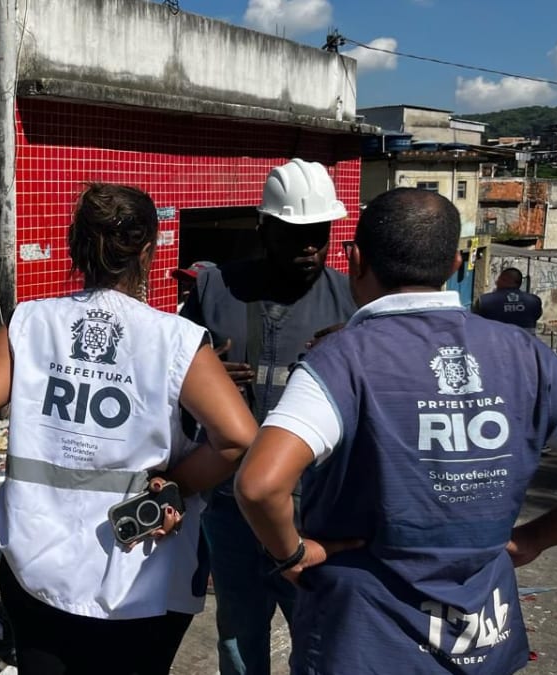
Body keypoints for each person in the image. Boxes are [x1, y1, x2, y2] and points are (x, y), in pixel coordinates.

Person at [235, 188, 557, 674]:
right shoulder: (531, 357)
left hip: (363, 639)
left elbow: (260, 485)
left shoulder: (342, 360)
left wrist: (292, 554)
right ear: (455, 263)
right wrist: (535, 537)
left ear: (354, 259)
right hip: (483, 640)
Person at [0, 183, 258, 674]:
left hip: (35, 561)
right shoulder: (175, 339)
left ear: (75, 244)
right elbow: (239, 437)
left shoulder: (28, 322)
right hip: (140, 573)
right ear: (148, 252)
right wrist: (177, 484)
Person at [179, 158, 357, 675]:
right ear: (265, 228)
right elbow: (173, 375)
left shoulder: (350, 301)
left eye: (319, 233)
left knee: (318, 633)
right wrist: (204, 382)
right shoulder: (216, 290)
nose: (310, 247)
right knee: (238, 635)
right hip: (230, 506)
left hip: (314, 509)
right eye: (295, 233)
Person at [474, 267, 542, 334]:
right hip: (527, 343)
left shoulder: (484, 301)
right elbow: (537, 316)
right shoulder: (534, 301)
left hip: (496, 343)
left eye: (499, 279)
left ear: (505, 280)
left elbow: (475, 322)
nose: (496, 282)